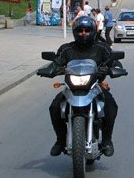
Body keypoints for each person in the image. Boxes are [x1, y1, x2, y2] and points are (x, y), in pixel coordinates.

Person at [49, 16, 121, 157]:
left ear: (93, 31)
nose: (83, 33)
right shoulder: (66, 49)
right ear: (75, 32)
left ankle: (107, 140)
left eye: (87, 30)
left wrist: (116, 67)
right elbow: (57, 62)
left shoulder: (102, 47)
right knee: (54, 108)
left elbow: (114, 61)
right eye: (80, 30)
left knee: (111, 107)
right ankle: (60, 140)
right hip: (71, 88)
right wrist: (51, 68)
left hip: (95, 86)